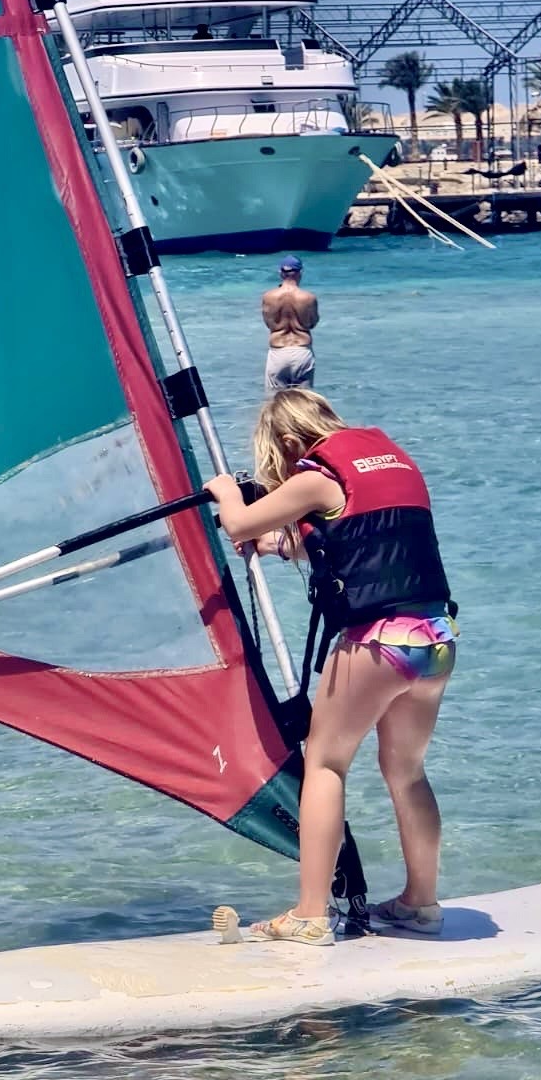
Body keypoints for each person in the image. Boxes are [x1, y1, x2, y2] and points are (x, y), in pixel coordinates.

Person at [205, 389, 457, 947]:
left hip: (379, 642)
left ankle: (310, 914)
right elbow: (354, 542)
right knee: (406, 772)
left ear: (291, 441)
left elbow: (239, 523)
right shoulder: (392, 462)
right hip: (436, 638)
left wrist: (225, 492)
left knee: (324, 763)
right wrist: (279, 548)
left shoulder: (317, 473)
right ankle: (421, 904)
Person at [262, 256, 318, 392]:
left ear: (281, 273)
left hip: (278, 351)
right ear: (300, 273)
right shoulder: (309, 298)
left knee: (275, 403)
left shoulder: (268, 297)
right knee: (304, 402)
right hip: (301, 351)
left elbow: (269, 324)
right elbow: (312, 323)